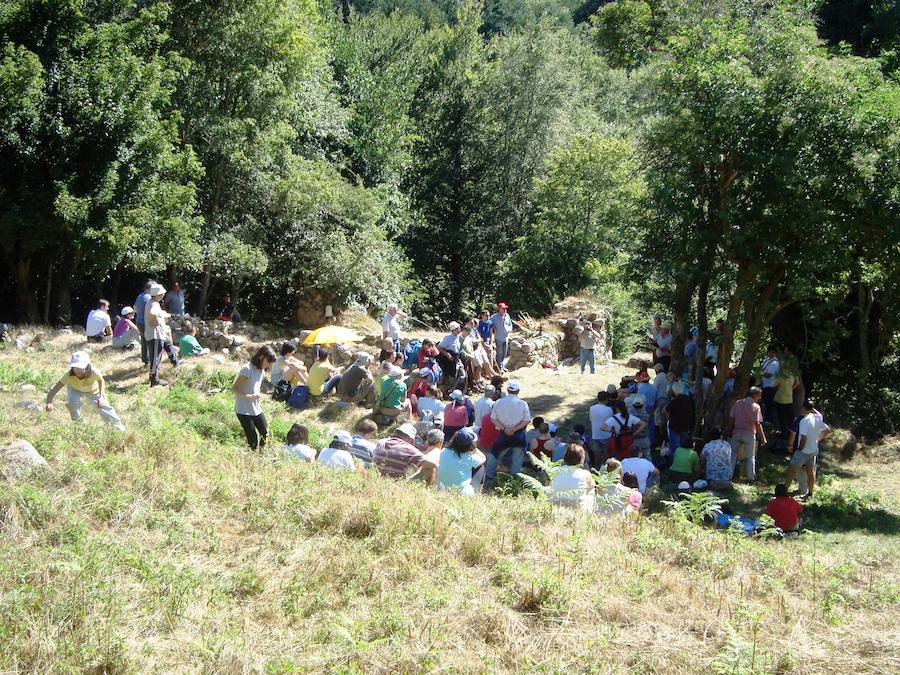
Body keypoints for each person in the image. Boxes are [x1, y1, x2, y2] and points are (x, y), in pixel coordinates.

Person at [45, 351, 125, 430]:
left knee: (103, 406)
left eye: (80, 368)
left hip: (93, 391)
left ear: (87, 365)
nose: (77, 371)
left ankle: (118, 428)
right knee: (73, 404)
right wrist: (49, 402)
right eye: (75, 367)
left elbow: (101, 381)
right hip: (75, 389)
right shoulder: (68, 376)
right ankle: (79, 426)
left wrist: (101, 397)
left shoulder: (94, 372)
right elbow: (54, 390)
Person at [485, 380, 530, 484]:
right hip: (518, 433)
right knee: (517, 458)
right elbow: (527, 420)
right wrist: (514, 429)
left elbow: (493, 418)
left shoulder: (499, 402)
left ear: (507, 390)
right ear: (518, 391)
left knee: (495, 454)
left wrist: (505, 429)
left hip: (503, 433)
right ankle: (515, 478)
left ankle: (489, 474)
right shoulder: (523, 404)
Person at [784, 399, 830, 499]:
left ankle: (783, 492)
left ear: (803, 408)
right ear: (812, 409)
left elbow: (803, 438)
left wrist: (799, 449)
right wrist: (817, 440)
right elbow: (827, 430)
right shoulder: (818, 418)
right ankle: (810, 493)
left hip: (803, 451)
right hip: (813, 450)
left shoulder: (804, 421)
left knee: (791, 471)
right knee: (810, 472)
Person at [232, 346, 275, 451]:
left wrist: (257, 395)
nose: (269, 364)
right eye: (268, 361)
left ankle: (260, 455)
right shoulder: (247, 369)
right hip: (243, 410)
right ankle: (252, 460)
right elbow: (234, 388)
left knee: (265, 433)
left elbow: (254, 387)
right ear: (261, 357)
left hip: (255, 408)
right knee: (253, 440)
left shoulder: (261, 370)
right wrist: (248, 396)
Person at [727, 386, 767, 482]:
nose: (760, 398)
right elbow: (757, 424)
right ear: (754, 395)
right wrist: (763, 438)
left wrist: (729, 430)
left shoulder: (738, 403)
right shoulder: (756, 407)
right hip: (749, 433)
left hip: (736, 432)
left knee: (732, 455)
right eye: (759, 395)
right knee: (750, 457)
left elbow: (731, 418)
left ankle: (728, 476)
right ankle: (750, 478)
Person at [145, 283, 179, 387]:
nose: (163, 296)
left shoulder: (153, 303)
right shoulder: (153, 304)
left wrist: (165, 314)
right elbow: (153, 312)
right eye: (161, 294)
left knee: (168, 345)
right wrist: (162, 315)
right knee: (156, 357)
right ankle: (154, 380)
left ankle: (175, 362)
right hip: (155, 335)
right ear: (156, 295)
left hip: (160, 333)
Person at [436, 429, 486, 495]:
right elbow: (483, 458)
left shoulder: (444, 451)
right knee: (481, 468)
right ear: (471, 445)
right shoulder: (470, 458)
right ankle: (477, 493)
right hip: (461, 493)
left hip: (441, 489)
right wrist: (475, 448)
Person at [550, 444, 596, 511]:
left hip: (556, 504)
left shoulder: (553, 471)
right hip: (578, 506)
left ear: (565, 457)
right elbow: (592, 487)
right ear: (581, 460)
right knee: (591, 491)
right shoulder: (585, 474)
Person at [664, 382, 694, 457]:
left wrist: (668, 419)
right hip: (685, 426)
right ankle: (684, 460)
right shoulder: (688, 400)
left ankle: (674, 463)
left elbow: (665, 410)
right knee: (685, 447)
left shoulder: (675, 400)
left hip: (675, 427)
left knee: (674, 448)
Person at [588, 391, 614, 468]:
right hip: (606, 435)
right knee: (606, 456)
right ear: (606, 399)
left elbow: (591, 419)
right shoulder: (609, 409)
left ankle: (597, 470)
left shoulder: (592, 408)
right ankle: (606, 470)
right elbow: (611, 422)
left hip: (595, 435)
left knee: (597, 456)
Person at [774, 368, 799, 446]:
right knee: (790, 418)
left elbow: (774, 384)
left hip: (780, 399)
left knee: (782, 418)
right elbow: (797, 383)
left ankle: (784, 435)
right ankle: (792, 435)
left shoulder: (780, 375)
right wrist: (791, 389)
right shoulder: (793, 373)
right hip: (789, 399)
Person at [133, 281, 154, 365]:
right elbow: (150, 312)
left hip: (139, 321)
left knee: (144, 341)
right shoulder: (148, 298)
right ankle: (149, 360)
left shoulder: (140, 296)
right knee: (150, 341)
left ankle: (145, 360)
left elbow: (134, 308)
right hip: (145, 322)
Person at [489, 302, 513, 370]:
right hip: (498, 337)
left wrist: (510, 329)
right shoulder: (494, 316)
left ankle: (502, 366)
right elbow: (489, 323)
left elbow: (510, 324)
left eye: (505, 308)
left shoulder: (507, 315)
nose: (505, 310)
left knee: (504, 353)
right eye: (503, 308)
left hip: (506, 337)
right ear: (499, 309)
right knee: (499, 353)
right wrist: (493, 327)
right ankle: (499, 367)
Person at [760, 346, 780, 425]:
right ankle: (766, 418)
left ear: (774, 353)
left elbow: (769, 375)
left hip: (771, 386)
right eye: (768, 352)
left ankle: (770, 420)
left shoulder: (775, 363)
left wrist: (761, 373)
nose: (769, 353)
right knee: (766, 402)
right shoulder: (767, 361)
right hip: (765, 385)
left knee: (770, 404)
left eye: (771, 352)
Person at [627, 395, 652, 460]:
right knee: (647, 456)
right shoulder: (646, 415)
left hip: (634, 439)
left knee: (634, 458)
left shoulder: (631, 416)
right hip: (644, 438)